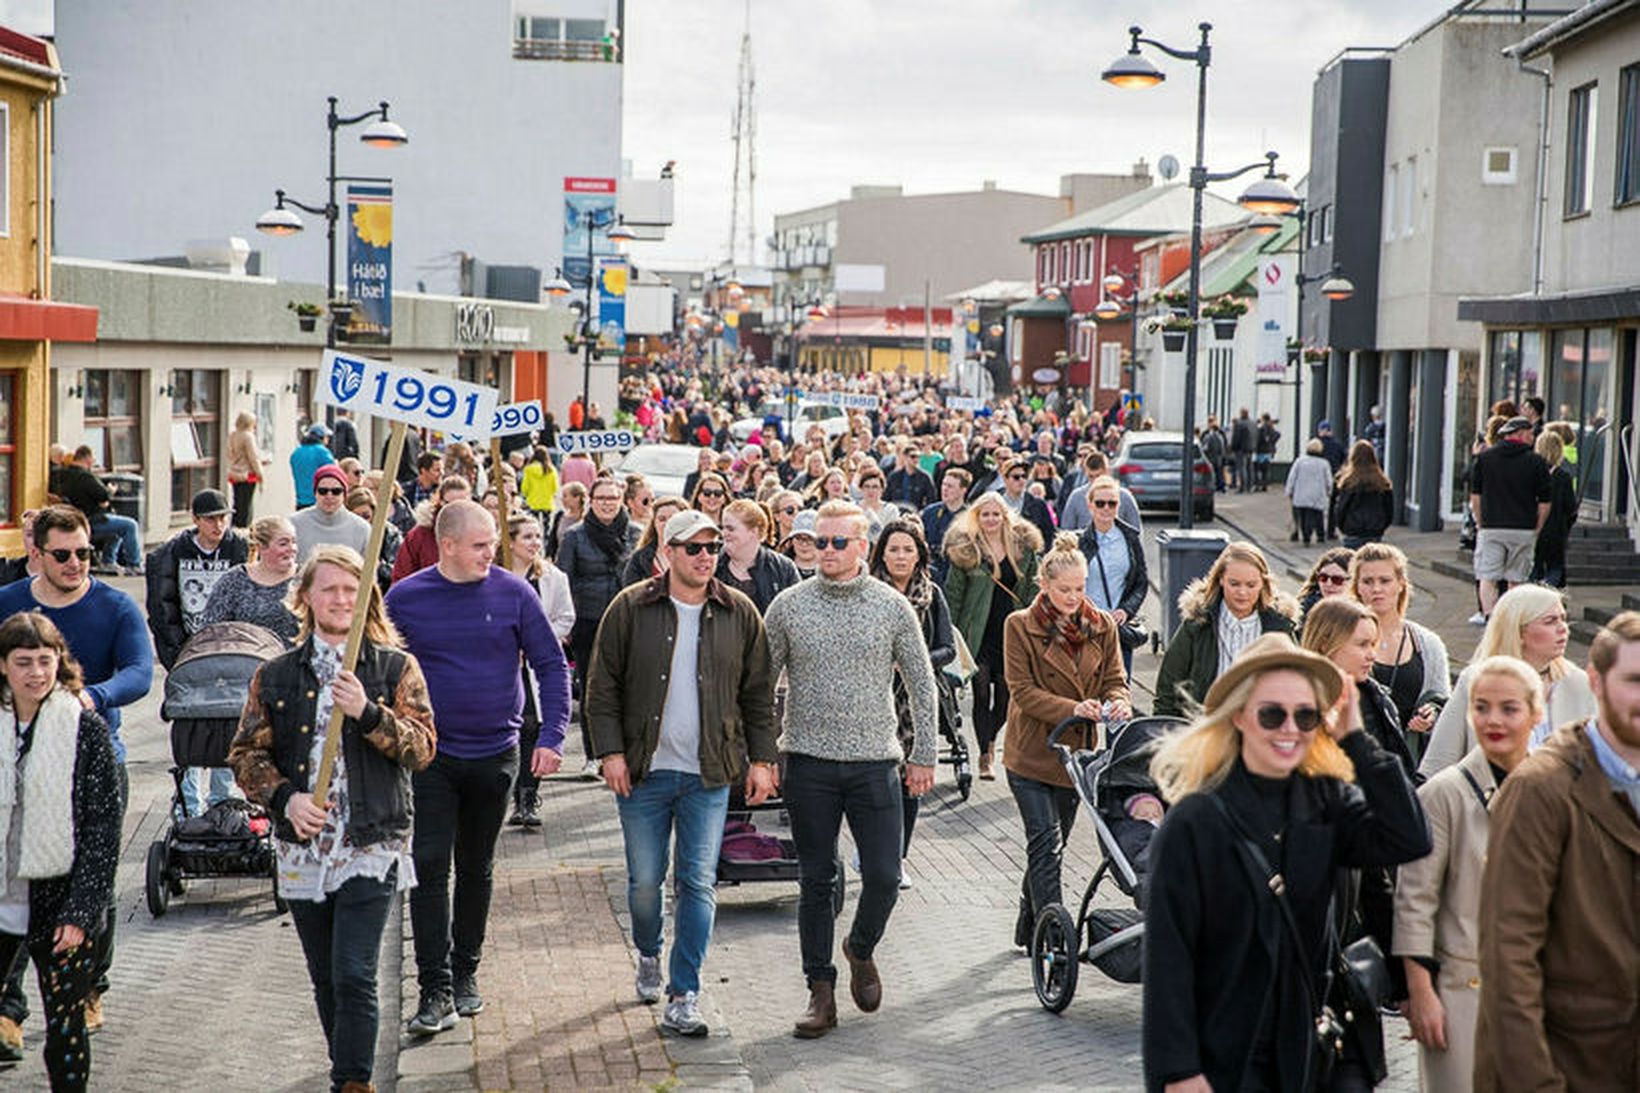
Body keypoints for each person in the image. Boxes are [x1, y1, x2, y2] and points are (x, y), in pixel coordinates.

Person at [1142, 633, 1430, 1093]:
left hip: (1308, 1046)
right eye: (1272, 713)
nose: (1289, 728)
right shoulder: (1195, 821)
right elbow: (1169, 954)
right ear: (1239, 716)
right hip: (1228, 1052)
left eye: (1306, 715)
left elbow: (1409, 837)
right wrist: (1178, 1069)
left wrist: (1355, 737)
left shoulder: (1326, 800)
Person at [228, 546, 435, 1093]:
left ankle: (352, 1082)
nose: (341, 599)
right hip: (304, 845)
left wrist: (370, 712)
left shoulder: (394, 669)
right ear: (306, 598)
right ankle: (343, 1063)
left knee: (354, 972)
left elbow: (423, 749)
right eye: (329, 589)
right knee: (325, 978)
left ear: (366, 597)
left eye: (351, 589)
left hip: (371, 842)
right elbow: (246, 755)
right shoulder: (274, 675)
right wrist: (285, 799)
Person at [384, 501, 572, 1036]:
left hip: (496, 753)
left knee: (476, 866)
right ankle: (433, 986)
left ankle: (466, 972)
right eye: (481, 545)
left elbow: (551, 665)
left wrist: (553, 735)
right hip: (431, 755)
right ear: (447, 544)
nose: (493, 553)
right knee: (428, 864)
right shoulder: (407, 598)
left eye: (493, 543)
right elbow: (381, 669)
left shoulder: (514, 592)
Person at [586, 510, 776, 1036]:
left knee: (697, 881)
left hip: (709, 774)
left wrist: (762, 760)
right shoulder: (630, 607)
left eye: (712, 547)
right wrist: (610, 753)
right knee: (646, 882)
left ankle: (683, 991)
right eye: (692, 547)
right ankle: (648, 951)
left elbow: (758, 694)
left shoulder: (739, 612)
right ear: (667, 552)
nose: (704, 556)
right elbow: (602, 687)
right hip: (645, 773)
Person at [763, 500, 938, 1039]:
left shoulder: (891, 606)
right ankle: (821, 991)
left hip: (874, 762)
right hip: (808, 762)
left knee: (884, 876)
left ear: (864, 546)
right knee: (817, 879)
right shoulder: (788, 606)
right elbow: (759, 686)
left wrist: (924, 754)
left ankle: (860, 948)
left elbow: (922, 681)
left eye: (839, 542)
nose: (827, 551)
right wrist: (762, 756)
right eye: (819, 541)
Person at [1474, 612, 1640, 1092]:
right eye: (1633, 681)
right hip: (1570, 1065)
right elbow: (1509, 957)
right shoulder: (1540, 790)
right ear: (1595, 682)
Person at [1393, 655, 1541, 1093]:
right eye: (1481, 707)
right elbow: (1414, 901)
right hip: (1461, 992)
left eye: (1509, 708)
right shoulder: (1443, 794)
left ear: (1536, 713)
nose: (1493, 720)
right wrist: (1420, 993)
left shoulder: (1557, 788)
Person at [0, 613, 122, 1092]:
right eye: (23, 662)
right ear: (4, 666)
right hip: (3, 893)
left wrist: (82, 909)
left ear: (60, 663)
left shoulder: (83, 728)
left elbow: (102, 827)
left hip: (60, 897)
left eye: (45, 661)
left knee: (65, 1026)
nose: (35, 673)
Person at [1002, 533, 1131, 946]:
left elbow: (1115, 679)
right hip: (1031, 753)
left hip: (1075, 756)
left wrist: (1119, 702)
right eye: (1064, 590)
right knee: (1045, 843)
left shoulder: (1102, 625)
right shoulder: (1019, 626)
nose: (1073, 597)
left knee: (1049, 848)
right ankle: (1056, 939)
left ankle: (1030, 920)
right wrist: (1072, 708)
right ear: (1044, 585)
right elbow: (1021, 691)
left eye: (1080, 588)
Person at [1420, 583, 1596, 777]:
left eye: (1563, 619)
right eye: (1550, 621)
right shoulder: (1474, 681)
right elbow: (1435, 766)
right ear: (1518, 631)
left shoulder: (1579, 683)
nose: (1563, 629)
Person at [868, 518, 956, 889]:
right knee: (874, 781)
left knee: (910, 782)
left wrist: (914, 662)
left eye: (908, 549)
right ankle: (874, 849)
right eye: (894, 549)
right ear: (881, 554)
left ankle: (898, 857)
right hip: (874, 696)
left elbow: (948, 648)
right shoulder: (868, 592)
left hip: (916, 700)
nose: (901, 556)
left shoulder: (932, 593)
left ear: (920, 553)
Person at [942, 492, 1043, 779]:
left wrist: (1032, 620)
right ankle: (985, 756)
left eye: (995, 514)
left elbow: (1035, 587)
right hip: (977, 631)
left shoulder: (1023, 548)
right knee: (981, 692)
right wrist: (951, 632)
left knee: (1005, 699)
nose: (990, 519)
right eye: (985, 514)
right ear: (976, 516)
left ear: (1004, 516)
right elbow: (953, 593)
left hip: (1011, 631)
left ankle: (992, 740)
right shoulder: (965, 549)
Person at [1154, 541, 1298, 718]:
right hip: (1205, 730)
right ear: (1221, 579)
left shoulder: (1280, 628)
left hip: (1263, 732)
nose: (1242, 592)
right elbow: (1168, 688)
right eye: (1234, 584)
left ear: (1263, 583)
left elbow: (1297, 686)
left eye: (1251, 585)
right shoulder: (1198, 624)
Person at [557, 476, 640, 778]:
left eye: (612, 498)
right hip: (588, 621)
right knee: (593, 688)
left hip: (626, 620)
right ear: (591, 501)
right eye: (601, 498)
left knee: (629, 686)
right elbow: (563, 578)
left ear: (622, 501)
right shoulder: (575, 536)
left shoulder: (635, 533)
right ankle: (594, 754)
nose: (607, 503)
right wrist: (566, 620)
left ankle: (625, 751)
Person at [503, 512, 574, 829]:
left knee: (533, 726)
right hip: (504, 666)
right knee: (511, 728)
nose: (534, 543)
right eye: (527, 537)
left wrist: (537, 641)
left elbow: (565, 617)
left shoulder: (554, 578)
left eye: (537, 537)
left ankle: (527, 798)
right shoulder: (497, 577)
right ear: (511, 541)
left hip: (536, 663)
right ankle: (508, 791)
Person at [1350, 543, 1450, 763]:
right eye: (1367, 581)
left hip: (1412, 760)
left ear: (1401, 584)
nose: (1376, 589)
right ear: (1357, 587)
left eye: (1385, 581)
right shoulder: (1343, 639)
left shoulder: (1427, 644)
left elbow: (1444, 702)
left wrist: (1430, 716)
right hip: (1361, 760)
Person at [145, 489, 250, 670]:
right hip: (187, 643)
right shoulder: (171, 552)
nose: (218, 525)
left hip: (230, 644)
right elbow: (161, 606)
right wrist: (175, 651)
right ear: (195, 520)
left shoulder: (241, 549)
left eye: (222, 518)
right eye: (210, 519)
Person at [1469, 415, 1551, 621]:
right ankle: (1512, 620)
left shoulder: (1485, 459)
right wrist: (1537, 526)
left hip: (1491, 527)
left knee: (1488, 576)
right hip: (1523, 529)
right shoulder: (1536, 461)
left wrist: (1480, 522)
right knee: (1517, 579)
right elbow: (1545, 501)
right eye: (1531, 433)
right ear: (1520, 434)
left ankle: (1490, 617)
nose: (1533, 437)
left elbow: (1475, 496)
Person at [1075, 475, 1147, 679]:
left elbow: (1141, 582)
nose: (1106, 508)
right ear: (1090, 506)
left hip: (1118, 631)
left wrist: (1126, 609)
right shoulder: (1078, 542)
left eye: (1112, 503)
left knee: (1119, 691)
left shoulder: (1130, 539)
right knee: (1087, 691)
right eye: (1100, 503)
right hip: (1085, 630)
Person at [200, 514, 300, 647]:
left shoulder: (307, 578)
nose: (292, 549)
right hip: (246, 662)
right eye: (283, 543)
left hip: (295, 662)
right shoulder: (234, 580)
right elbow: (210, 628)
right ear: (261, 547)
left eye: (293, 542)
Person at [49, 445, 142, 573]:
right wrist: (111, 490)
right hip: (92, 520)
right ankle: (134, 564)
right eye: (92, 460)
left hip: (75, 519)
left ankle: (109, 561)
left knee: (117, 526)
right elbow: (102, 496)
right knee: (130, 525)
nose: (92, 463)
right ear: (87, 458)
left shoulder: (62, 475)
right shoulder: (85, 477)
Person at [716, 499, 800, 615]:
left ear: (753, 532)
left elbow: (796, 614)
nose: (724, 533)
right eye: (723, 528)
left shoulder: (783, 569)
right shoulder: (712, 565)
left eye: (730, 529)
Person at [390, 475, 471, 584]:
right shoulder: (420, 536)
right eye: (450, 504)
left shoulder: (479, 536)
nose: (456, 510)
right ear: (440, 502)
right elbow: (401, 577)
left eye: (462, 504)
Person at [292, 465, 372, 564]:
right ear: (315, 493)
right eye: (323, 491)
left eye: (336, 491)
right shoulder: (294, 524)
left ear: (344, 494)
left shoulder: (362, 529)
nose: (329, 496)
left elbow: (368, 572)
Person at [1528, 429, 1576, 587]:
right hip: (1556, 530)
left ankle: (1535, 597)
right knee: (1555, 566)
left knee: (1534, 566)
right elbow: (1570, 507)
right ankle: (1550, 595)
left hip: (1534, 527)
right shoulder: (1563, 477)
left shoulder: (1532, 473)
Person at [1331, 440, 1395, 549]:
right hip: (1374, 532)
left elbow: (1341, 507)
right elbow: (1389, 509)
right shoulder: (1382, 482)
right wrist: (1381, 526)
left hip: (1352, 531)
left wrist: (1342, 526)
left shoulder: (1348, 482)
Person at [620, 495, 688, 588]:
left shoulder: (702, 553)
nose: (667, 524)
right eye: (662, 519)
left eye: (673, 519)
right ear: (654, 524)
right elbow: (630, 595)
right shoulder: (639, 559)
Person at [992, 456, 1057, 546]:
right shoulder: (993, 501)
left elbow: (1050, 535)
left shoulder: (1038, 504)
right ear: (1005, 479)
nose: (1021, 480)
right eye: (1016, 477)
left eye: (1024, 476)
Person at [920, 466, 968, 585]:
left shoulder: (969, 517)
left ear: (963, 490)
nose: (944, 489)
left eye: (950, 486)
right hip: (930, 573)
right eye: (943, 484)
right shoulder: (930, 512)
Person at [1285, 439, 1334, 546]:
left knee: (1303, 516)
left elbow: (1292, 477)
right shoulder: (1324, 463)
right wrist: (1329, 490)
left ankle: (1306, 536)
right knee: (1318, 515)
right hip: (1317, 494)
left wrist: (1289, 490)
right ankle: (1320, 535)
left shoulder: (1300, 461)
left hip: (1301, 493)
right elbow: (1329, 479)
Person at [226, 412, 267, 528]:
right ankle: (244, 530)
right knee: (247, 505)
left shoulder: (232, 435)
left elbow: (229, 454)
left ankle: (234, 527)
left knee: (237, 502)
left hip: (234, 472)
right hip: (247, 474)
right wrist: (260, 474)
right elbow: (253, 457)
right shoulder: (248, 436)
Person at [1296, 546, 1355, 623]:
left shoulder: (1365, 611)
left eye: (1337, 580)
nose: (1328, 584)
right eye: (1323, 577)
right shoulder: (1303, 611)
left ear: (1353, 581)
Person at [291, 424, 336, 509]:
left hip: (301, 501)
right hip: (318, 500)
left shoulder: (296, 453)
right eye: (327, 437)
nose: (328, 440)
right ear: (322, 437)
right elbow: (333, 473)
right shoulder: (323, 452)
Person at [519, 445, 559, 524]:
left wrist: (525, 494)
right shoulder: (551, 470)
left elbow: (525, 487)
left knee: (534, 523)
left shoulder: (528, 469)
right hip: (547, 502)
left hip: (533, 501)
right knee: (547, 524)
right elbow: (555, 487)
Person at [781, 509, 820, 579]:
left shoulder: (831, 568)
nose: (804, 544)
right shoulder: (780, 567)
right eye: (798, 538)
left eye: (810, 538)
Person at [1229, 407, 1257, 493]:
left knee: (1242, 468)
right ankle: (1250, 486)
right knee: (1249, 468)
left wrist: (1232, 447)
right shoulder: (1253, 423)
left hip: (1241, 449)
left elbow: (1236, 437)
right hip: (1251, 448)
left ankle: (1243, 487)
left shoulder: (1239, 423)